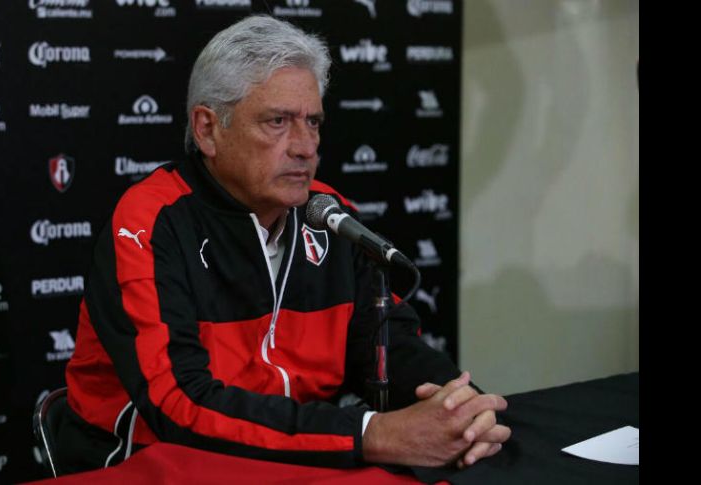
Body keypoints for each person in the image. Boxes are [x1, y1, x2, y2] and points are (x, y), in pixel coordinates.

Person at [57, 14, 511, 474]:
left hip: (295, 461)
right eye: (278, 122)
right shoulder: (150, 223)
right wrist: (370, 434)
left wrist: (459, 409)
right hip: (153, 466)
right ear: (208, 129)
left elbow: (386, 348)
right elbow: (179, 404)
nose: (305, 146)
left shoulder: (329, 216)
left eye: (313, 122)